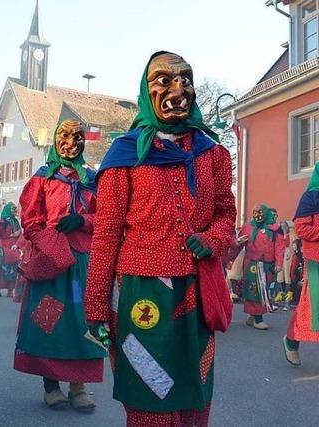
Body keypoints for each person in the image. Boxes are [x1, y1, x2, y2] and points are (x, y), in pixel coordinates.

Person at [84, 52, 236, 426]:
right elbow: (105, 235)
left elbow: (225, 212)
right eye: (164, 79)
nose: (178, 88)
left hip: (195, 291)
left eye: (185, 79)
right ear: (146, 90)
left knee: (194, 388)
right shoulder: (125, 154)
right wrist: (96, 308)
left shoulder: (213, 153)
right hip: (140, 292)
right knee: (148, 390)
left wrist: (213, 238)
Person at [15, 119, 107, 412]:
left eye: (77, 137)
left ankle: (79, 386)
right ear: (55, 140)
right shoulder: (43, 178)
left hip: (82, 260)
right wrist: (48, 240)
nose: (70, 142)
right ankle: (51, 384)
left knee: (83, 320)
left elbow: (105, 217)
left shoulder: (92, 179)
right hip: (52, 261)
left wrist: (83, 220)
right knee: (49, 319)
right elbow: (30, 220)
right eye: (64, 136)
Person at [283, 164, 319, 366]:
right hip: (316, 260)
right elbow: (302, 230)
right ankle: (291, 341)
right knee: (312, 307)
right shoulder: (310, 198)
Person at [229, 204, 285, 330]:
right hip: (251, 264)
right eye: (256, 213)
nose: (258, 216)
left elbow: (280, 247)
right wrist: (230, 259)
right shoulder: (248, 227)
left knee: (264, 291)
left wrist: (279, 263)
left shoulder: (276, 228)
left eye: (261, 213)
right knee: (254, 291)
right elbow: (239, 244)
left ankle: (252, 316)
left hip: (267, 265)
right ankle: (257, 319)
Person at [0, 202, 22, 298]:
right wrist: (12, 235)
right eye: (12, 209)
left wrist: (18, 241)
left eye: (15, 209)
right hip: (4, 246)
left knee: (13, 269)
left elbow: (20, 234)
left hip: (13, 247)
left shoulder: (15, 221)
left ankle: (10, 290)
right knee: (2, 268)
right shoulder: (2, 221)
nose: (14, 211)